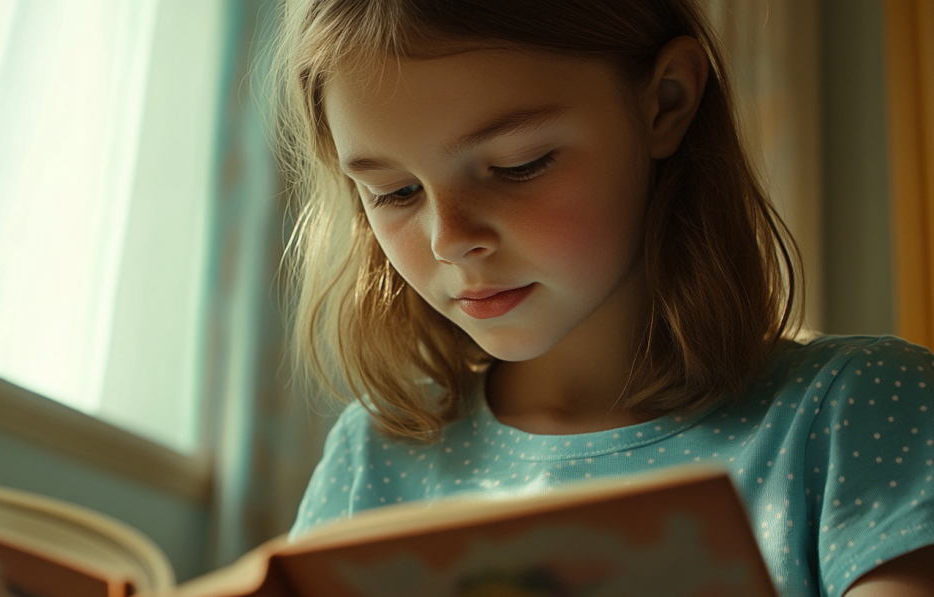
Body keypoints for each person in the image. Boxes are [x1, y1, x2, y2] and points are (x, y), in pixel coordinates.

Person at [271, 1, 934, 594]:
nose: (450, 239)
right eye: (394, 191)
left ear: (665, 103)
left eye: (517, 164)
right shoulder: (374, 453)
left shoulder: (854, 410)